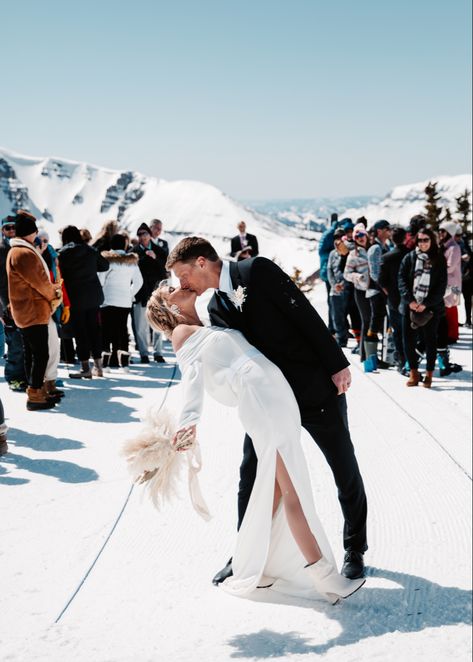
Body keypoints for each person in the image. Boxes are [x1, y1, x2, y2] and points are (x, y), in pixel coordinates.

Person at [166, 237, 368, 583]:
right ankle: (244, 554)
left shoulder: (256, 270)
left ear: (202, 262)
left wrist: (337, 364)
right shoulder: (215, 309)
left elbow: (304, 313)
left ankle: (355, 548)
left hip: (315, 389)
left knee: (343, 466)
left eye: (182, 275)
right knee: (250, 475)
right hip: (269, 404)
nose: (181, 284)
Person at [6, 211, 62, 410]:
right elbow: (40, 283)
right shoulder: (24, 253)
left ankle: (35, 390)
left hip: (25, 311)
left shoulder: (18, 251)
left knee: (32, 353)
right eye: (34, 232)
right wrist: (54, 293)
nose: (36, 235)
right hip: (33, 311)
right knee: (41, 354)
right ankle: (36, 394)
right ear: (29, 233)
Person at [398, 228, 447, 388]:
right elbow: (402, 280)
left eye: (426, 240)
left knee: (430, 341)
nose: (423, 243)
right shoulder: (410, 258)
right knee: (408, 341)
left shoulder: (439, 259)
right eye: (420, 240)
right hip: (410, 307)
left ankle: (429, 375)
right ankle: (413, 373)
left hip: (430, 308)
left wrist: (426, 303)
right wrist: (410, 301)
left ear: (432, 240)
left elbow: (441, 286)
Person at [58, 225, 109, 378]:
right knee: (94, 330)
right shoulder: (90, 250)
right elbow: (104, 266)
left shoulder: (63, 254)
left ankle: (85, 368)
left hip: (75, 299)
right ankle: (98, 367)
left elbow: (60, 274)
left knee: (81, 333)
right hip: (93, 297)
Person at [98, 234, 143, 370]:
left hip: (108, 299)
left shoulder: (106, 260)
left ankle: (105, 364)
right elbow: (139, 281)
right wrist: (130, 294)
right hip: (124, 301)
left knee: (106, 330)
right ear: (124, 245)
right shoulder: (132, 261)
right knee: (122, 330)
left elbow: (100, 280)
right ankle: (124, 364)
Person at [132, 223, 168, 363]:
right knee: (141, 325)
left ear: (149, 235)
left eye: (144, 233)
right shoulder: (134, 252)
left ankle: (158, 352)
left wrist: (155, 258)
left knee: (158, 323)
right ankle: (144, 353)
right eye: (139, 234)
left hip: (156, 292)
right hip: (140, 293)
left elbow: (164, 271)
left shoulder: (160, 250)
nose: (142, 236)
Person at [0, 215, 28, 392]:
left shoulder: (22, 248)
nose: (11, 231)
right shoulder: (1, 250)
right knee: (15, 344)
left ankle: (27, 376)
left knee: (27, 342)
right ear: (2, 230)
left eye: (14, 227)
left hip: (26, 303)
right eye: (7, 228)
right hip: (8, 305)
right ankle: (14, 378)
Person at [378, 226, 409, 372]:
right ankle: (410, 359)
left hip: (393, 298)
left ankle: (401, 360)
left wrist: (389, 293)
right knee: (409, 331)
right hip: (410, 298)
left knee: (397, 331)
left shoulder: (386, 257)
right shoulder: (411, 255)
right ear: (405, 238)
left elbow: (381, 280)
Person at [344, 223, 373, 367]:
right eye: (357, 236)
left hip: (375, 290)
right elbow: (346, 274)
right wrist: (358, 276)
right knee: (366, 321)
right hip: (361, 291)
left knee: (374, 322)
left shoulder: (373, 249)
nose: (360, 238)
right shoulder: (353, 255)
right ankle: (364, 355)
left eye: (362, 235)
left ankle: (372, 354)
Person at [365, 220, 392, 368]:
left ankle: (378, 356)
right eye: (387, 229)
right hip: (376, 290)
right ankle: (371, 359)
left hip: (381, 290)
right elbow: (375, 273)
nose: (389, 231)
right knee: (375, 320)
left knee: (381, 321)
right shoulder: (375, 248)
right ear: (380, 231)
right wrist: (385, 288)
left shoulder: (384, 246)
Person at [327, 228, 350, 347]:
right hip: (335, 290)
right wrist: (334, 284)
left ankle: (345, 334)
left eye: (340, 238)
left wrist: (344, 283)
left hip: (347, 289)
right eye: (335, 239)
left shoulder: (349, 252)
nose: (337, 241)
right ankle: (341, 338)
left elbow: (350, 269)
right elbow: (329, 270)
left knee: (345, 315)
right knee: (336, 316)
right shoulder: (332, 254)